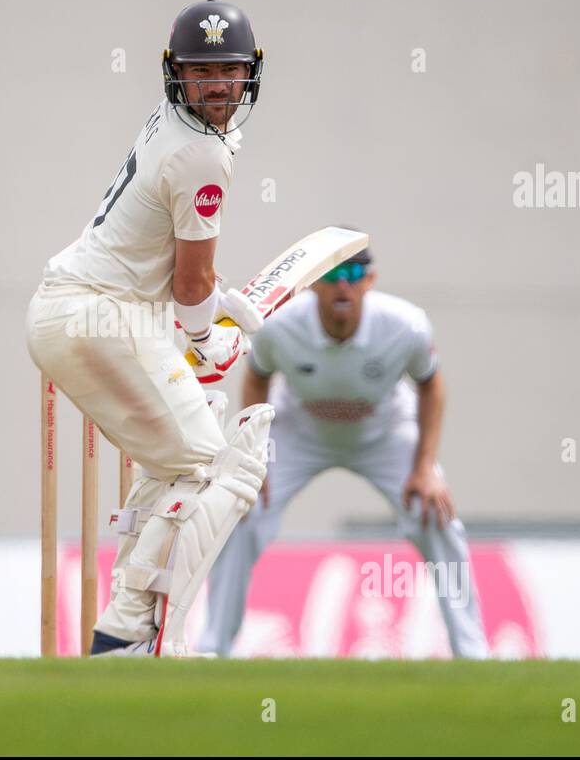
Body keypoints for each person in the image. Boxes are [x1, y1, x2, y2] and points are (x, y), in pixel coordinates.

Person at [26, 0, 274, 657]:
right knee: (224, 470)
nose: (218, 84)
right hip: (100, 315)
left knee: (172, 469)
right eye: (202, 71)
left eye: (230, 70)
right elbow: (188, 287)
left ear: (251, 72)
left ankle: (122, 631)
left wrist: (214, 304)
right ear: (176, 74)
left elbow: (167, 264)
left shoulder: (176, 129)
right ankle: (153, 631)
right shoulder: (202, 155)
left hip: (75, 309)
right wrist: (204, 335)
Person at [198, 246, 489, 658]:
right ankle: (213, 649)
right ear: (313, 282)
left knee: (435, 514)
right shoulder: (277, 326)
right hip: (300, 429)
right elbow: (257, 378)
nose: (343, 284)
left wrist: (425, 467)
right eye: (333, 274)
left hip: (383, 429)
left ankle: (473, 651)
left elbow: (432, 386)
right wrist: (253, 456)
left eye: (355, 273)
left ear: (370, 281)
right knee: (242, 509)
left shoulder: (405, 325)